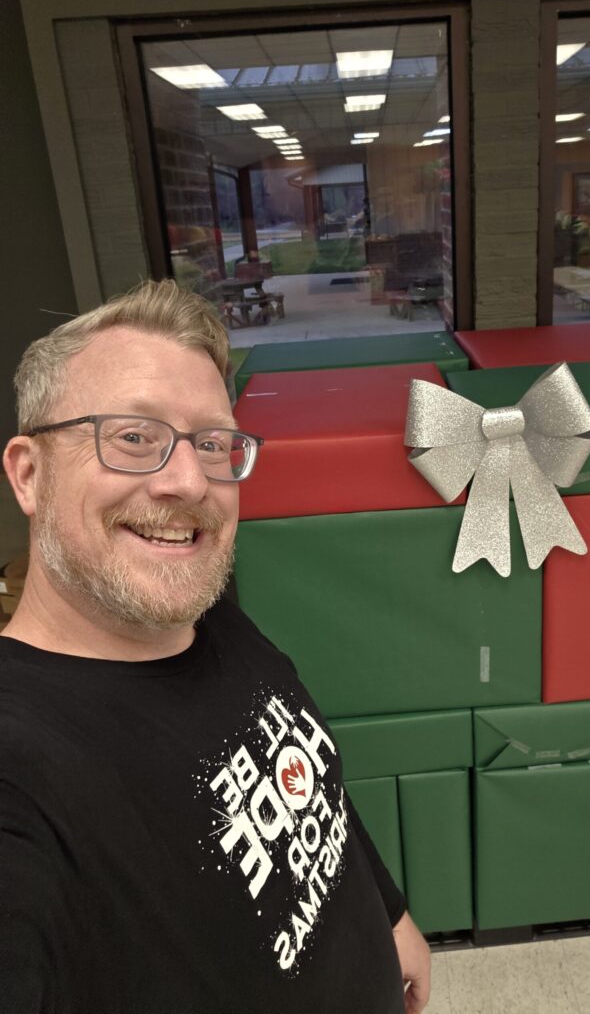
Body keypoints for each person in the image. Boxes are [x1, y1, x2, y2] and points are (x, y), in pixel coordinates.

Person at [0, 279, 431, 1013]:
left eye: (213, 442)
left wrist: (389, 914)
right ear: (29, 474)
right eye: (134, 437)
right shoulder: (24, 771)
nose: (190, 480)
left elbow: (304, 780)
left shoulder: (203, 616)